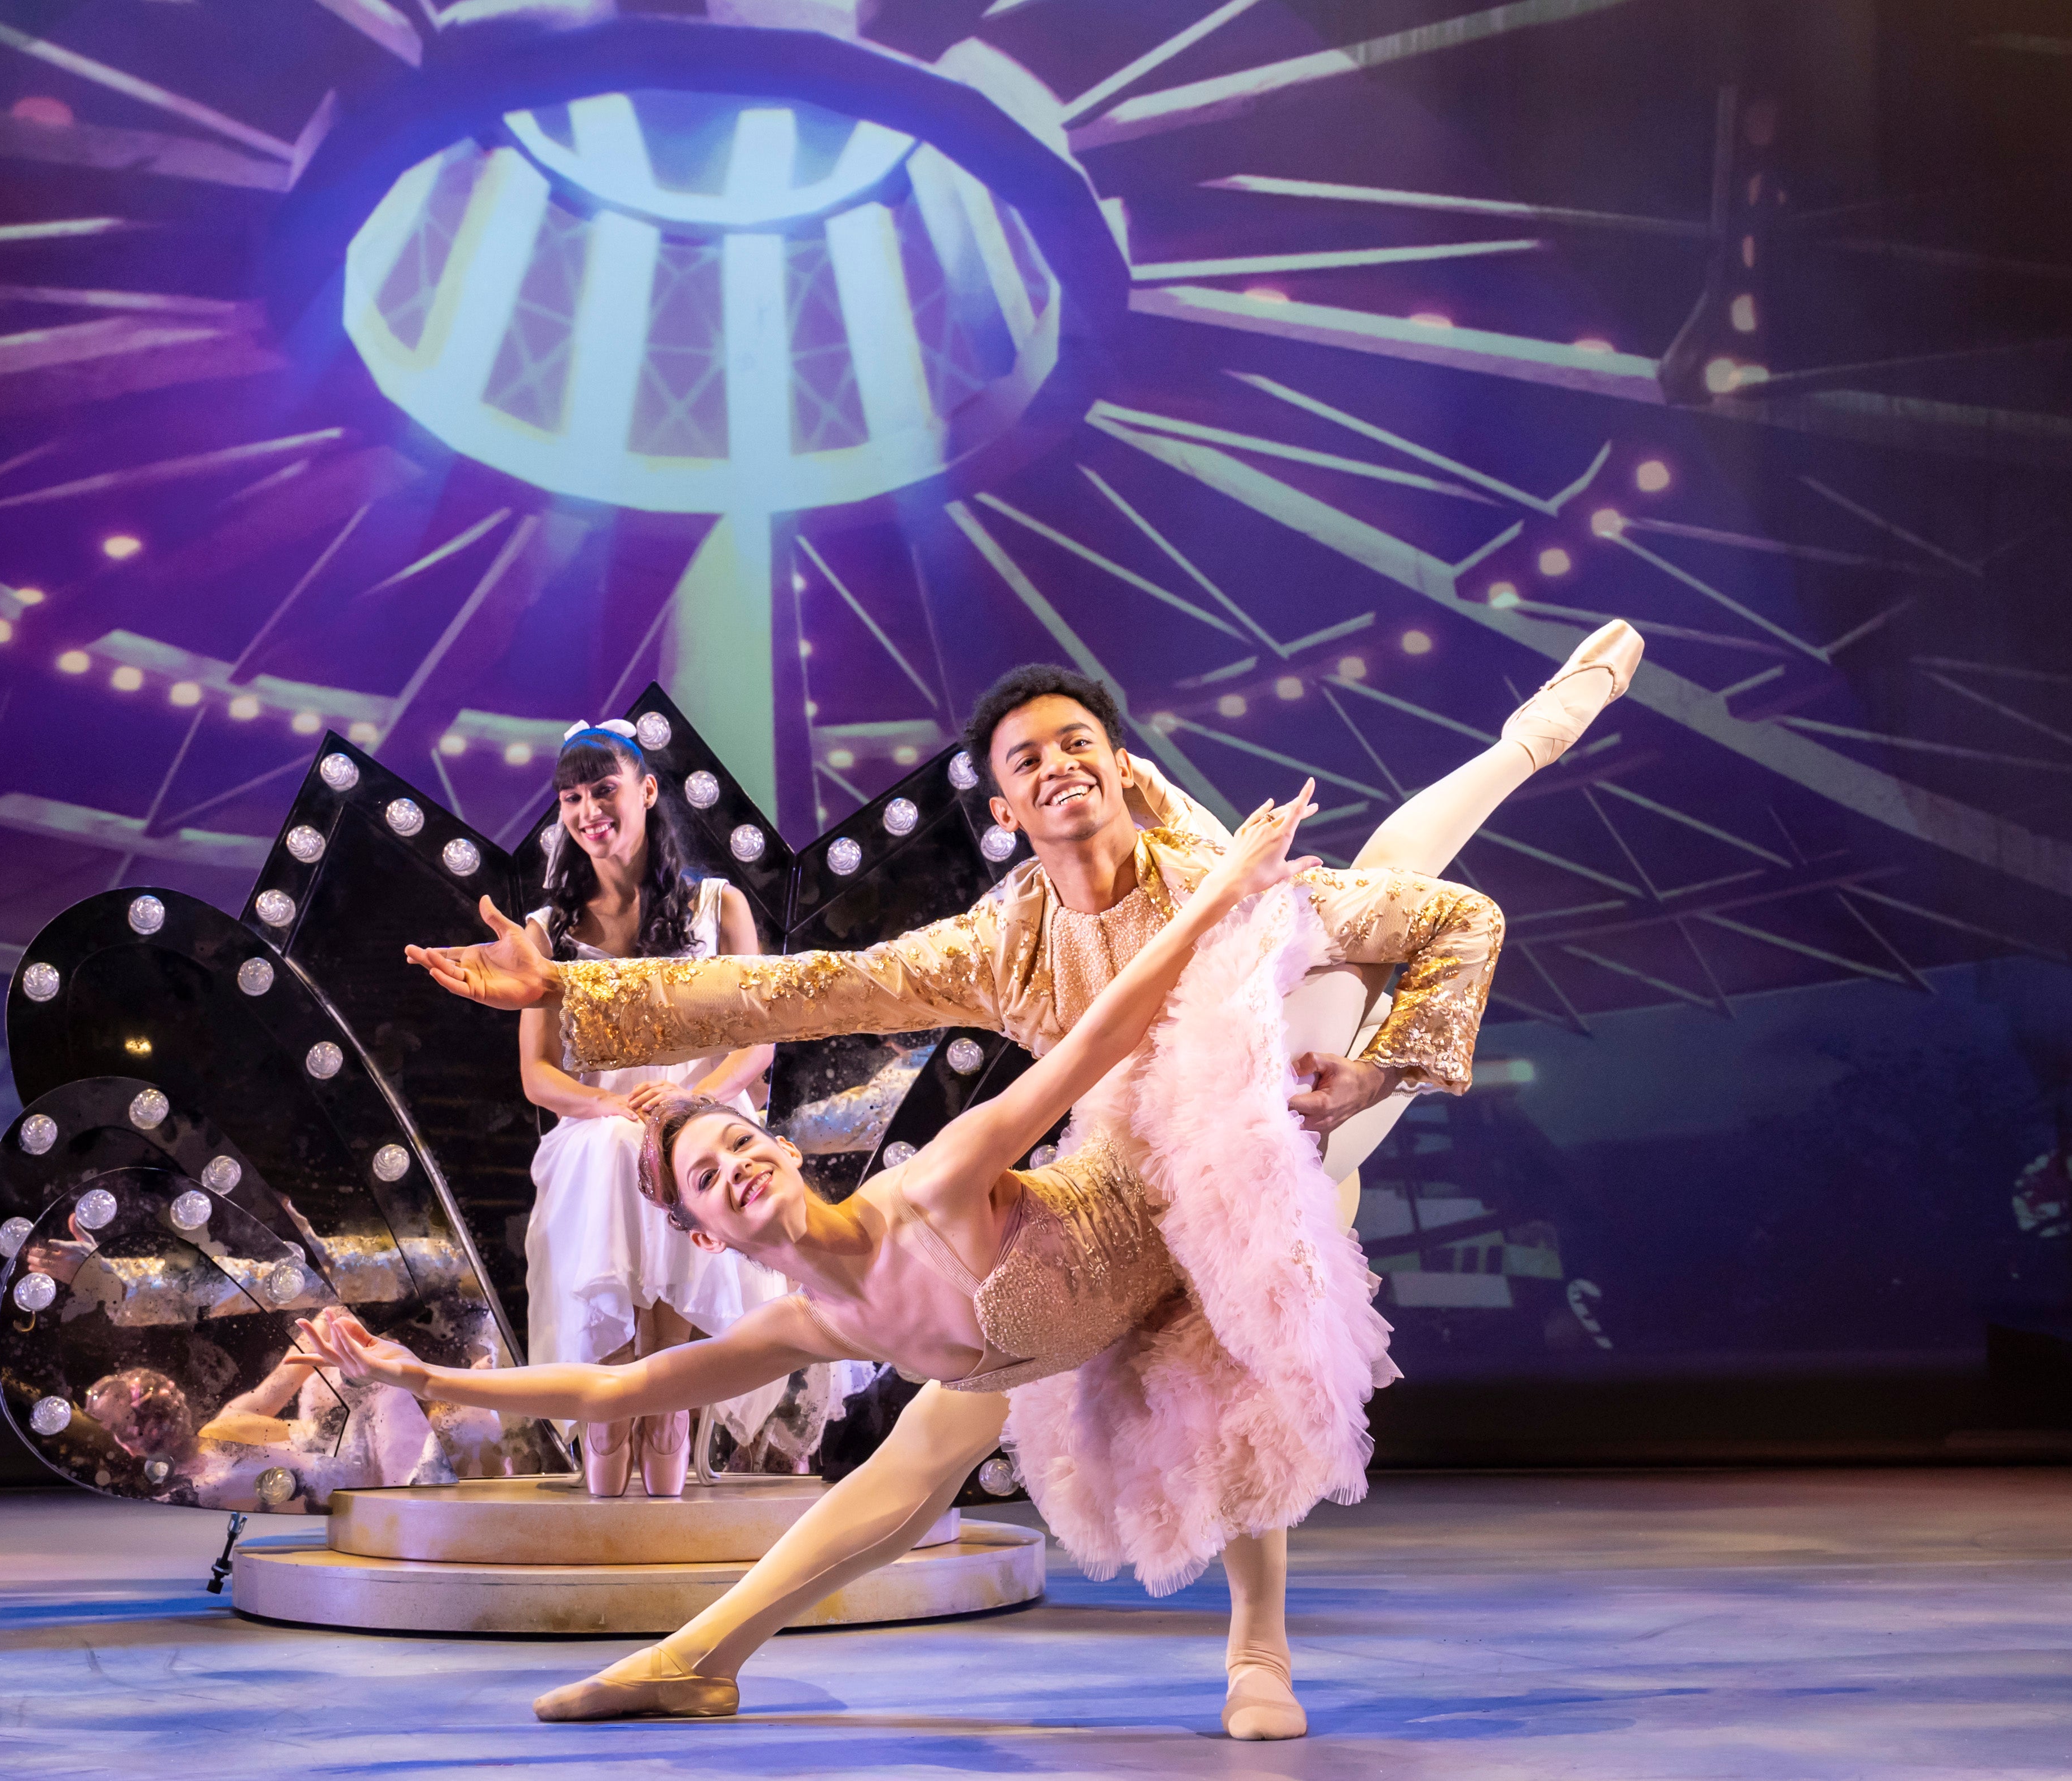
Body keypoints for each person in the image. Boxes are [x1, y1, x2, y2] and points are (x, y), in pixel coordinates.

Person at [397, 622, 1641, 1734]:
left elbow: (1448, 923)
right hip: (1104, 1180)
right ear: (1000, 809)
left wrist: (1377, 1075)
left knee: (1309, 1034)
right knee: (923, 1445)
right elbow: (797, 987)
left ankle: (1255, 1647)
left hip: (1271, 1094)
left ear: (1113, 761)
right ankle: (699, 1651)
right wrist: (568, 987)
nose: (1056, 764)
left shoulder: (1210, 897)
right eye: (1026, 758)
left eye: (1077, 742)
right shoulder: (995, 949)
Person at [319, 780, 1359, 1733]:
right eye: (707, 1182)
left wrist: (1223, 887)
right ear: (700, 1233)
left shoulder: (934, 1186)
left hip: (1188, 1170)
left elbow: (1093, 1041)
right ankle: (697, 1661)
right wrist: (425, 1375)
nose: (736, 1170)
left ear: (778, 1144)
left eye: (739, 1143)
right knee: (903, 1474)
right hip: (1049, 1328)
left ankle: (1256, 1654)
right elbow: (615, 1386)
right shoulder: (813, 1325)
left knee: (1247, 1327)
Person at [516, 719, 787, 1496]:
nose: (588, 810)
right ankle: (609, 1416)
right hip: (599, 1128)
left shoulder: (717, 907)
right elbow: (538, 1077)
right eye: (572, 798)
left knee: (677, 1156)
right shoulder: (549, 930)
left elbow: (759, 1045)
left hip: (706, 1118)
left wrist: (690, 1102)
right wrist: (617, 1113)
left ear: (645, 791)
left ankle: (665, 1413)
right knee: (609, 1157)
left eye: (603, 790)